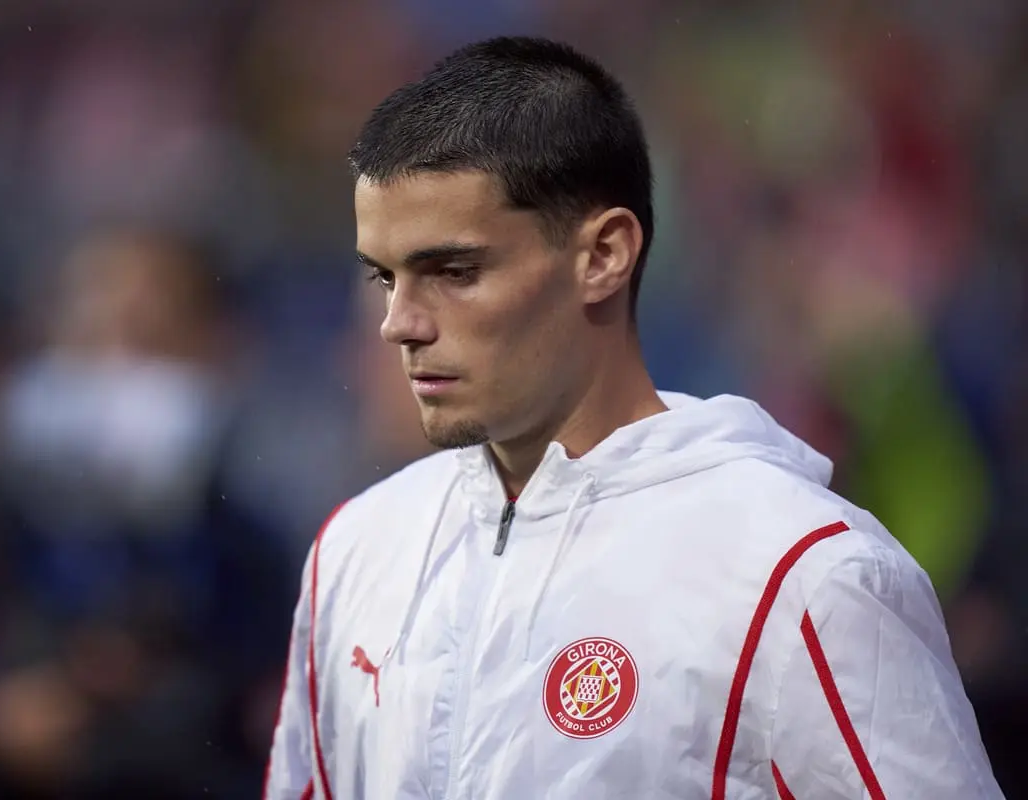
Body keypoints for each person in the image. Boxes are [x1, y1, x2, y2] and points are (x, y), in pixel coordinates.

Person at [265, 36, 1004, 799]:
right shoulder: (354, 553)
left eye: (454, 271)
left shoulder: (801, 576)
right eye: (384, 277)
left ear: (605, 255)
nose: (398, 324)